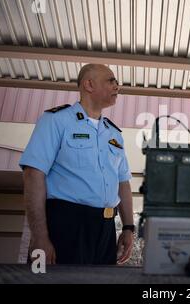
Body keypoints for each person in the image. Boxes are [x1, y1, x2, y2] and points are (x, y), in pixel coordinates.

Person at [20, 63, 134, 265]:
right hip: (65, 224)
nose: (117, 86)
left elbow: (123, 181)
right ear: (89, 84)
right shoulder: (56, 120)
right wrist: (39, 237)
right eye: (111, 81)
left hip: (106, 227)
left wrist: (127, 228)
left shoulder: (114, 134)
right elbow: (33, 174)